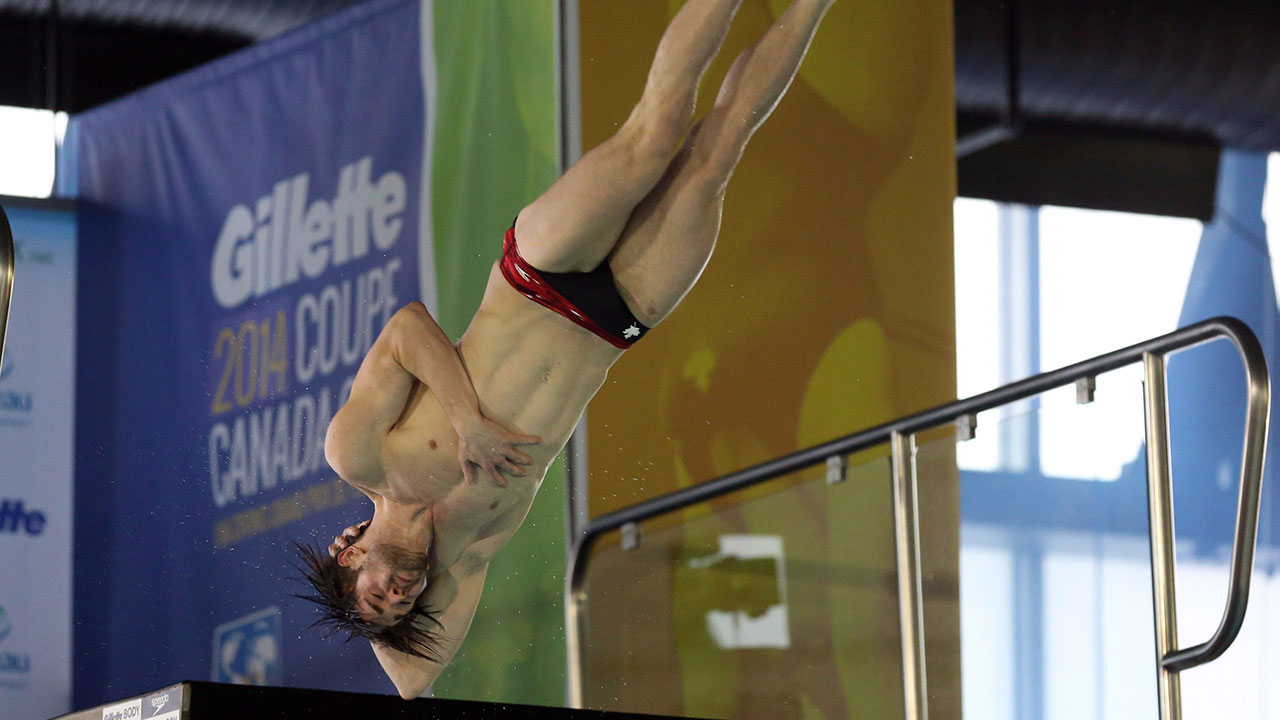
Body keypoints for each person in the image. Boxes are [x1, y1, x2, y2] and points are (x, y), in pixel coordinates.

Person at [296, 0, 838, 699]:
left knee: (657, 130)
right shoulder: (470, 548)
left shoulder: (360, 456)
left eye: (378, 596)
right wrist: (369, 609)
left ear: (350, 560)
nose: (400, 596)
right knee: (717, 152)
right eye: (401, 608)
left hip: (535, 278)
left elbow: (406, 328)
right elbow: (410, 684)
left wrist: (467, 424)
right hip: (616, 319)